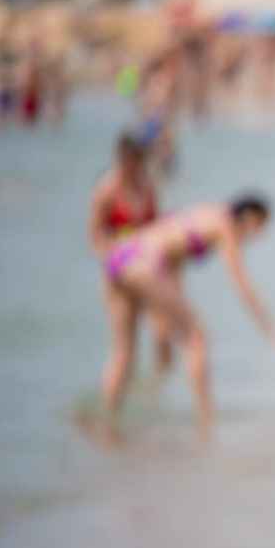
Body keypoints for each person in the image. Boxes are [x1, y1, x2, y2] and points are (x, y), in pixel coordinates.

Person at [99, 194, 275, 439]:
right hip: (145, 263)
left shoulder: (204, 212)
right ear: (250, 217)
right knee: (197, 338)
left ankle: (106, 423)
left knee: (123, 352)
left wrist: (167, 317)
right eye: (261, 227)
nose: (258, 235)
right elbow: (241, 284)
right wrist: (273, 332)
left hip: (120, 258)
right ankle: (206, 424)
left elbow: (172, 262)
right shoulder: (225, 225)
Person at [88, 131, 174, 376]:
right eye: (129, 162)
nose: (134, 167)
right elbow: (95, 237)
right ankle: (115, 398)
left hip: (150, 268)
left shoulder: (147, 187)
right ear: (121, 159)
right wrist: (117, 257)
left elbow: (155, 226)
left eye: (138, 162)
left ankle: (159, 387)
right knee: (125, 350)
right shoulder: (106, 190)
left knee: (163, 333)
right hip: (120, 271)